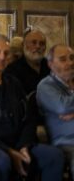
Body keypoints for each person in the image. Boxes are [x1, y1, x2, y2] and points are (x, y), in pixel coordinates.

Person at [0, 33, 63, 180]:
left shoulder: (14, 84)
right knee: (3, 160)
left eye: (6, 53)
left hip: (20, 144)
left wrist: (23, 146)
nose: (3, 57)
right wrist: (8, 151)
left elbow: (28, 118)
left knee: (54, 156)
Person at [36, 44, 74, 175]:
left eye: (72, 58)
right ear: (50, 64)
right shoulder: (46, 86)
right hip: (67, 141)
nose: (70, 63)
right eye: (63, 59)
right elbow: (63, 107)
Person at [5, 28, 50, 96]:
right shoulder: (12, 70)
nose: (38, 46)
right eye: (34, 42)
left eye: (42, 43)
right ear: (24, 45)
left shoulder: (51, 66)